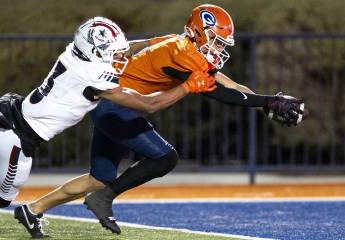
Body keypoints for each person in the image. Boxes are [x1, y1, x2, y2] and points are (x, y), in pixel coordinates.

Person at [14, 4, 307, 238]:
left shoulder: (180, 44)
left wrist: (263, 102)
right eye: (216, 40)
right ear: (199, 33)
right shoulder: (183, 55)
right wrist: (268, 101)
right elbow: (218, 94)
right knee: (165, 158)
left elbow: (225, 83)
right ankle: (104, 198)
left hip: (111, 108)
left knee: (99, 177)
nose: (219, 48)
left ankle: (33, 209)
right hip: (118, 108)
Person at [0, 16, 215, 237]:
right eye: (114, 53)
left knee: (99, 178)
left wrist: (153, 42)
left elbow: (126, 51)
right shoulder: (95, 77)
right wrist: (187, 87)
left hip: (17, 116)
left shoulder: (75, 53)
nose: (121, 57)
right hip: (17, 138)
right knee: (3, 198)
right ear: (94, 52)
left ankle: (32, 212)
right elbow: (149, 104)